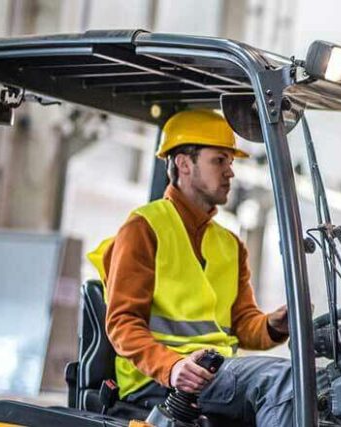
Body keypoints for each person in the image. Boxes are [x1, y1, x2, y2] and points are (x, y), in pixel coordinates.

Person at [88, 109, 294, 425]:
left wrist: (273, 325)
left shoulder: (229, 244)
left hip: (216, 373)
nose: (230, 173)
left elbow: (242, 323)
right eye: (219, 160)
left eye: (231, 162)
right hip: (159, 381)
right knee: (281, 380)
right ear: (184, 163)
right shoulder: (144, 228)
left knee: (318, 386)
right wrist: (172, 367)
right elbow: (123, 323)